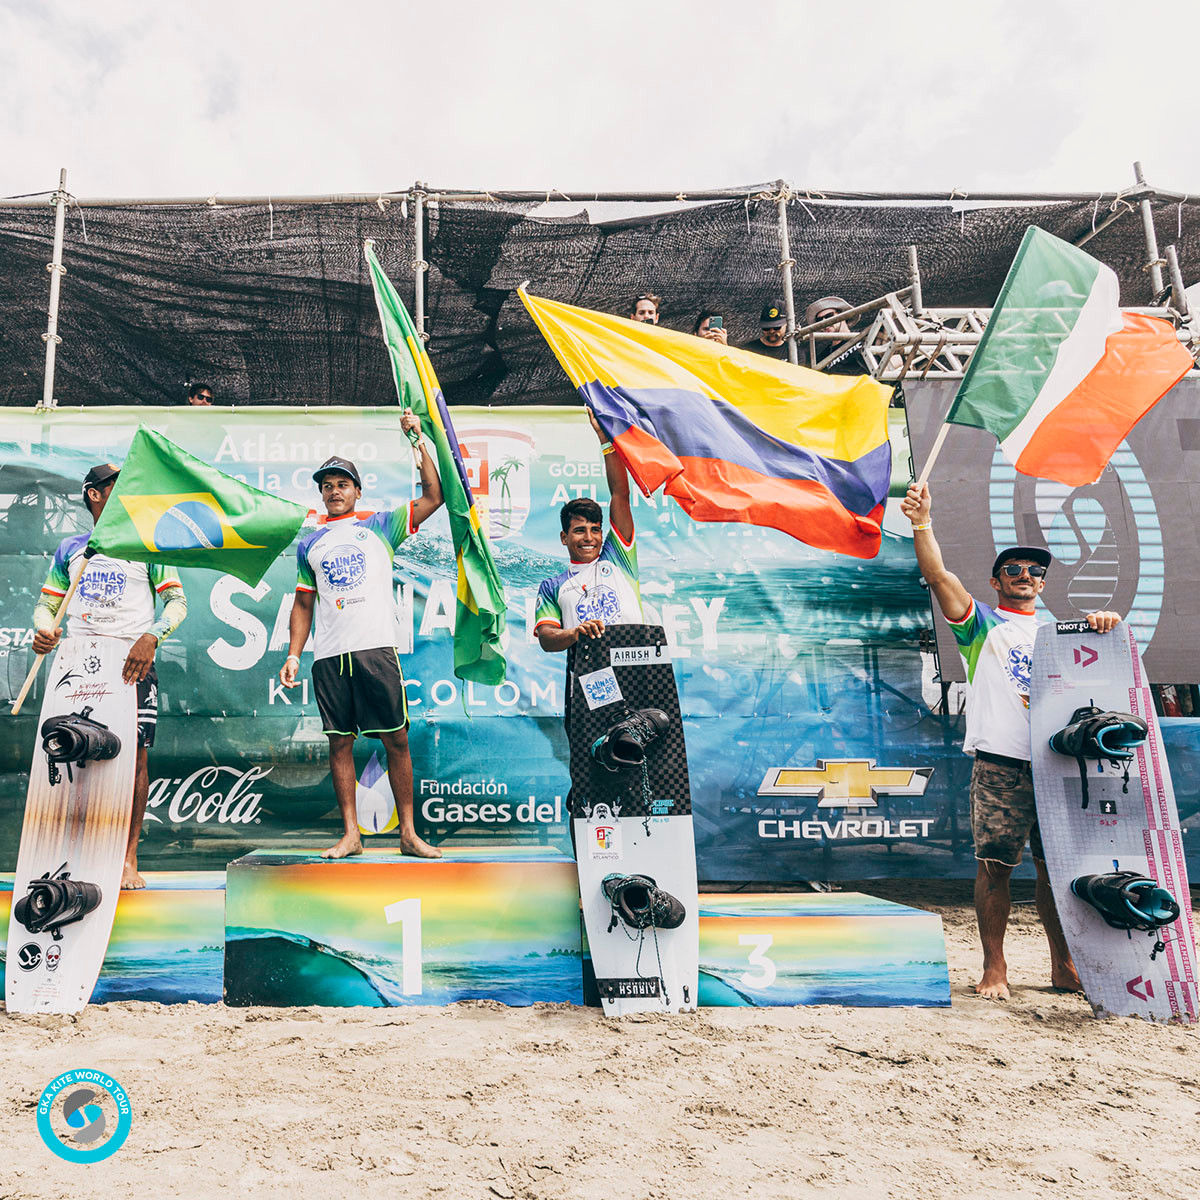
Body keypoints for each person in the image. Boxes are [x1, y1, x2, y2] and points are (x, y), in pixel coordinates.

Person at [901, 480, 1120, 1000]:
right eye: (1015, 570)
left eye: (1036, 571)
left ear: (1043, 584)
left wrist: (1103, 626)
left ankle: (1062, 967)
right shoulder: (981, 625)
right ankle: (994, 968)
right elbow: (937, 574)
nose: (1026, 576)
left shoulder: (1063, 633)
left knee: (1056, 872)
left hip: (1058, 765)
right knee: (995, 867)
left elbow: (1103, 679)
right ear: (997, 580)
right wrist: (922, 522)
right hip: (1002, 763)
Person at [280, 410, 443, 860]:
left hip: (374, 649)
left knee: (396, 739)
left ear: (357, 490)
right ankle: (351, 834)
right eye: (327, 485)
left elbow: (435, 495)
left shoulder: (380, 525)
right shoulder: (309, 543)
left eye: (342, 484)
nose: (335, 491)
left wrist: (416, 441)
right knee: (339, 744)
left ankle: (408, 833)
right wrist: (295, 654)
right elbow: (303, 603)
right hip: (330, 656)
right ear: (321, 493)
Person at [32, 463, 188, 889]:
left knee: (135, 757)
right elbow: (47, 606)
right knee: (69, 756)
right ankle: (71, 856)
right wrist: (43, 630)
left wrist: (151, 636)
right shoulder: (72, 548)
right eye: (117, 487)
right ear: (95, 495)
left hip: (131, 662)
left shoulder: (148, 546)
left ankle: (127, 858)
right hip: (78, 663)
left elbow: (177, 603)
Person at [535, 411, 641, 652]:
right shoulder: (552, 586)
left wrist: (605, 439)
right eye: (580, 530)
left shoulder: (618, 558)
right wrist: (574, 632)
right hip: (591, 681)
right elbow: (547, 638)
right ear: (564, 537)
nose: (589, 538)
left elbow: (620, 494)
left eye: (595, 530)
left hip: (637, 674)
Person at [802, 296, 869, 375]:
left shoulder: (864, 339)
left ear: (843, 315)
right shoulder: (822, 357)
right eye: (819, 320)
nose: (824, 322)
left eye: (829, 316)